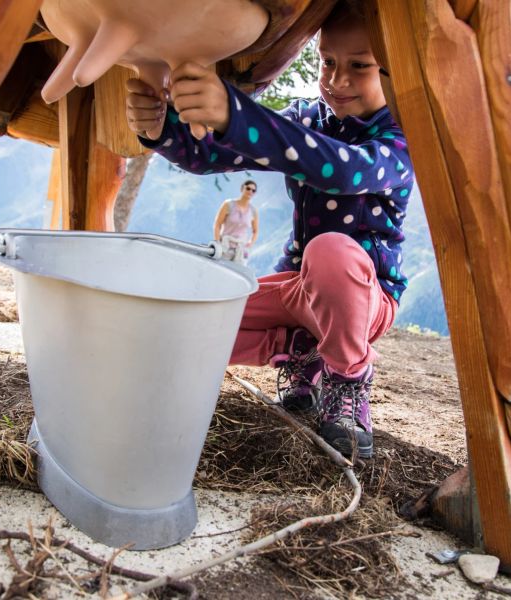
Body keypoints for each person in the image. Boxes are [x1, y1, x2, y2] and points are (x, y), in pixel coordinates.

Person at [125, 0, 413, 459]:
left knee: (332, 251)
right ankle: (300, 348)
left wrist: (237, 114)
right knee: (193, 321)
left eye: (359, 67)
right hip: (298, 291)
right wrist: (163, 130)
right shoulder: (305, 118)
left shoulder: (402, 137)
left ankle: (347, 379)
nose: (336, 80)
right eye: (327, 62)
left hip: (366, 298)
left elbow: (342, 171)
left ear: (394, 72)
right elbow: (212, 156)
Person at [214, 180, 260, 264]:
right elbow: (217, 224)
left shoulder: (253, 211)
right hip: (225, 246)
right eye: (248, 188)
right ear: (242, 188)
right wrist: (217, 242)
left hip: (241, 249)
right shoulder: (228, 204)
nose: (250, 191)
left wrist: (250, 243)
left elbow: (255, 231)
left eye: (253, 190)